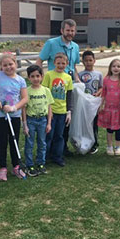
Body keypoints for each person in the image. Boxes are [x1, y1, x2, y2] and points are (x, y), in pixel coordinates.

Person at [36, 18, 80, 156]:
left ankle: (62, 148)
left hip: (67, 85)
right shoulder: (51, 43)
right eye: (67, 30)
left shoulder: (76, 47)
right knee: (51, 118)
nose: (70, 33)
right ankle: (47, 150)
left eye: (72, 31)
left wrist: (77, 80)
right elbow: (39, 60)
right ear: (62, 30)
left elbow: (73, 66)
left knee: (66, 118)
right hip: (52, 86)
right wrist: (39, 79)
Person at [0, 53, 28, 181]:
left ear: (16, 64)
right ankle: (2, 168)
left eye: (10, 64)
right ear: (1, 66)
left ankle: (16, 166)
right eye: (5, 65)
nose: (8, 67)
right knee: (2, 142)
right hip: (0, 116)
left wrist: (14, 107)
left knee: (14, 141)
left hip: (14, 116)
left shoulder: (20, 80)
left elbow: (25, 98)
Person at [42, 52, 73, 167]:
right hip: (51, 111)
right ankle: (44, 156)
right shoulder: (49, 75)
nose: (60, 65)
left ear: (67, 64)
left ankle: (57, 156)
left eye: (63, 63)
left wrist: (69, 111)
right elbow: (44, 91)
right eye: (58, 63)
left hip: (62, 111)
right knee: (48, 134)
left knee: (59, 135)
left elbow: (69, 95)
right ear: (54, 63)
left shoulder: (68, 78)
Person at [22, 65, 54, 176]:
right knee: (29, 143)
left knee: (42, 143)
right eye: (32, 76)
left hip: (43, 121)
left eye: (38, 76)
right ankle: (29, 164)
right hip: (31, 120)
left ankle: (41, 163)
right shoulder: (26, 91)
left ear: (42, 76)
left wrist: (49, 123)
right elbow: (24, 108)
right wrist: (24, 124)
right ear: (28, 78)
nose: (35, 79)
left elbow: (50, 107)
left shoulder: (46, 90)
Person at [98, 59, 120, 156]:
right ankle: (109, 146)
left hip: (119, 109)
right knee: (109, 129)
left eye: (118, 66)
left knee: (118, 129)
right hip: (108, 109)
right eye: (114, 66)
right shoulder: (106, 79)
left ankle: (118, 146)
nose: (116, 68)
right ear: (110, 68)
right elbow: (103, 93)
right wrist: (101, 105)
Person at [78, 50, 103, 154]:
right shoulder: (80, 75)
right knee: (84, 124)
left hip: (94, 103)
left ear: (94, 61)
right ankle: (84, 142)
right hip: (84, 103)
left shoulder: (99, 74)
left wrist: (98, 93)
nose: (88, 62)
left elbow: (102, 87)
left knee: (93, 124)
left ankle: (94, 144)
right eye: (86, 61)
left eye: (90, 60)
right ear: (82, 62)